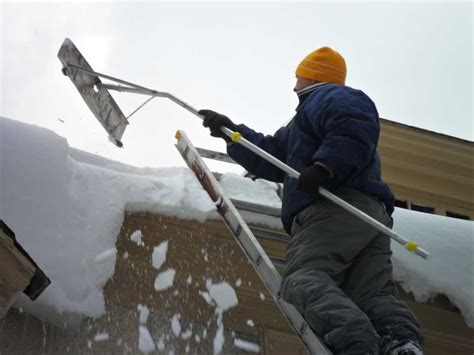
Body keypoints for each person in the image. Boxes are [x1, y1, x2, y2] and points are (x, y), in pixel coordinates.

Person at [199, 47, 424, 354]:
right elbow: (273, 157)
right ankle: (402, 344)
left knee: (302, 279)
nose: (294, 86)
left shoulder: (329, 98)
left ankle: (358, 345)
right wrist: (232, 133)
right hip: (369, 215)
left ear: (312, 76)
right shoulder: (306, 120)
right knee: (370, 292)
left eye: (298, 77)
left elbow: (354, 127)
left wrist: (324, 168)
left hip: (333, 207)